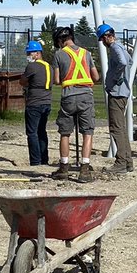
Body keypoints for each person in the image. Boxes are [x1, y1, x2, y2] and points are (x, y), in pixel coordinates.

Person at [51, 25, 100, 182]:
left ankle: (64, 168)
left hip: (68, 97)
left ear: (60, 40)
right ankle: (84, 170)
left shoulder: (59, 54)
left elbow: (57, 80)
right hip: (86, 95)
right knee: (87, 132)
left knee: (65, 133)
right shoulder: (87, 53)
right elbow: (96, 77)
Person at [97, 23, 133, 174]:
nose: (102, 43)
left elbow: (123, 63)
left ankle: (121, 163)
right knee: (121, 129)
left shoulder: (114, 48)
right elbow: (129, 61)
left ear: (106, 37)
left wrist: (115, 78)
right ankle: (128, 161)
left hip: (117, 93)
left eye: (102, 39)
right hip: (122, 93)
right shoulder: (122, 48)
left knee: (116, 128)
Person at [21, 39, 51, 167]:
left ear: (37, 53)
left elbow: (23, 81)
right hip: (47, 101)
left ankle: (35, 160)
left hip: (34, 102)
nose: (28, 56)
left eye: (30, 53)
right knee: (42, 131)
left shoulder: (32, 66)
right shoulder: (49, 66)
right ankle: (44, 159)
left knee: (32, 132)